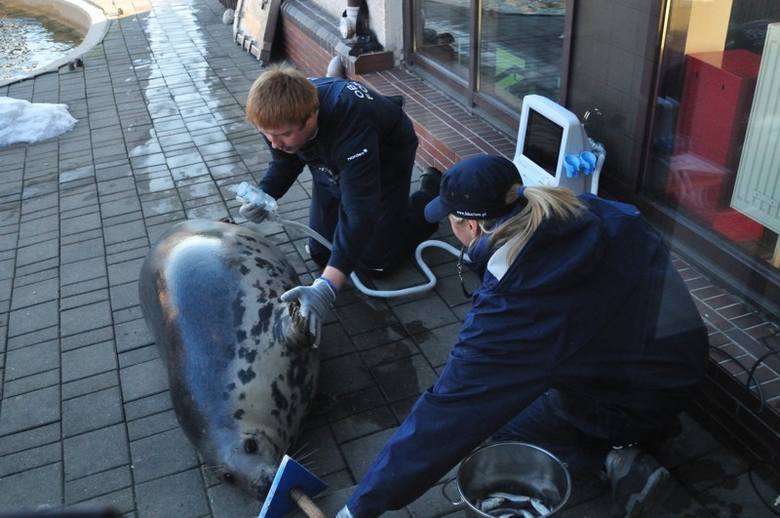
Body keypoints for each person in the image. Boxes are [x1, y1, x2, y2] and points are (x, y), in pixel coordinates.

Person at [336, 155, 708, 517]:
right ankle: (634, 426)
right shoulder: (594, 211)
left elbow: (452, 410)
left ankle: (615, 455)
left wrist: (360, 506)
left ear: (471, 226)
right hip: (680, 363)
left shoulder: (522, 304)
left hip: (632, 399)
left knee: (501, 418)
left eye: (449, 218)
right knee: (534, 382)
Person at [242, 65, 441, 344]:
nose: (275, 144)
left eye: (283, 135)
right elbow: (284, 163)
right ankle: (385, 212)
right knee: (321, 251)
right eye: (268, 135)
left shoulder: (350, 120)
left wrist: (327, 288)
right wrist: (265, 195)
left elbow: (360, 212)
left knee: (374, 262)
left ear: (311, 117)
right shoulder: (281, 116)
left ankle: (431, 195)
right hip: (333, 160)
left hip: (385, 154)